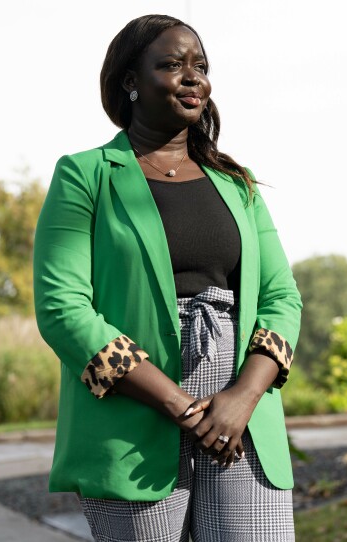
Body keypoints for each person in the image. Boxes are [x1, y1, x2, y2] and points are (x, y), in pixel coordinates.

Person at [32, 14, 302, 542]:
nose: (192, 77)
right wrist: (181, 406)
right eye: (172, 65)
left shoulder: (237, 184)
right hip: (133, 416)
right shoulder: (84, 175)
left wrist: (242, 397)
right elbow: (63, 308)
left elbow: (281, 296)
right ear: (130, 81)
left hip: (239, 417)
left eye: (199, 66)